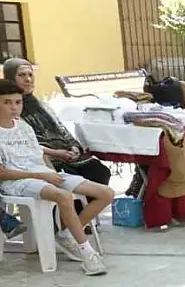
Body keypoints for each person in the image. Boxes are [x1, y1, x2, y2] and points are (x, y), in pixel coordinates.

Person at [0, 80, 112, 275]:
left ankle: (67, 233)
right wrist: (41, 175)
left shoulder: (23, 126)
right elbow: (2, 173)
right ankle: (87, 254)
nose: (14, 107)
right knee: (64, 197)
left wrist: (50, 170)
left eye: (18, 103)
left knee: (105, 193)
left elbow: (36, 152)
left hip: (43, 174)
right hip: (17, 181)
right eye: (7, 102)